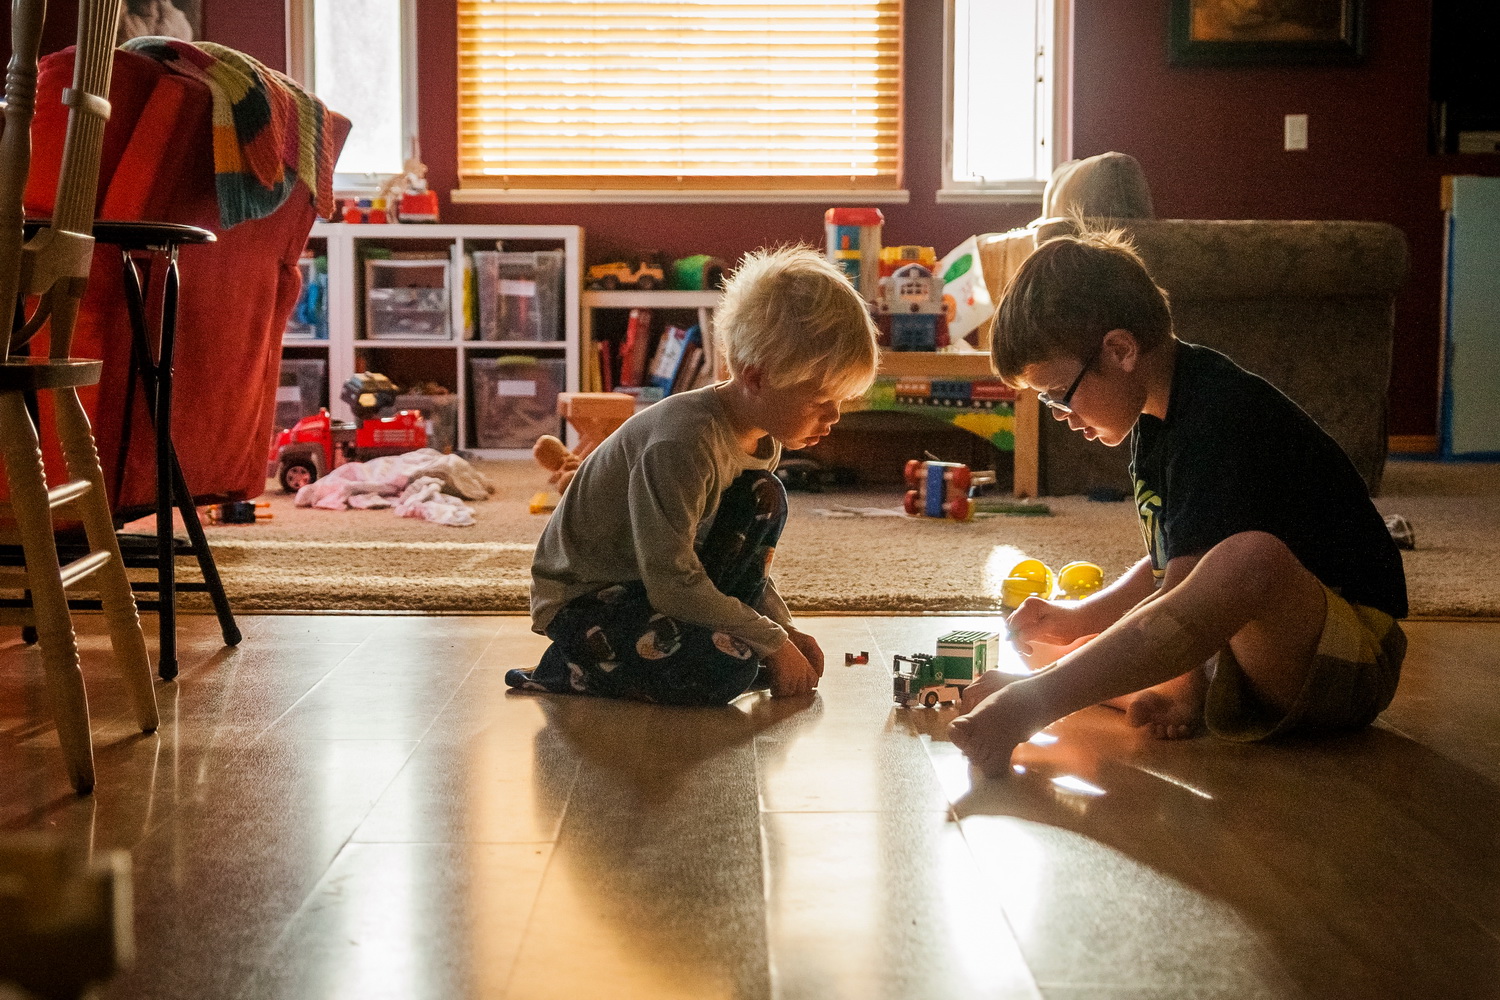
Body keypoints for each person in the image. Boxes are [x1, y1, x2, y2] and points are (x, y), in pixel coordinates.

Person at [949, 228, 1407, 776]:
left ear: (1120, 351)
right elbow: (1175, 558)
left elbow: (1195, 586)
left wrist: (1039, 691)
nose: (1061, 415)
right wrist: (1080, 616)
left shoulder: (1218, 413)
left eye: (1057, 396)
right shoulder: (1157, 413)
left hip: (1350, 657)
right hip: (1268, 652)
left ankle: (1045, 698)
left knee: (1250, 559)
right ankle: (1169, 685)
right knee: (1095, 634)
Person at [507, 245, 879, 705]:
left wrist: (783, 630)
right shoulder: (681, 445)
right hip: (589, 601)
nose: (835, 416)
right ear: (756, 377)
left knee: (766, 496)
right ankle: (568, 667)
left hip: (657, 586)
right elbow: (670, 580)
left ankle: (699, 655)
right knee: (725, 669)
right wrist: (770, 642)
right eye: (820, 399)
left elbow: (740, 563)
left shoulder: (765, 439)